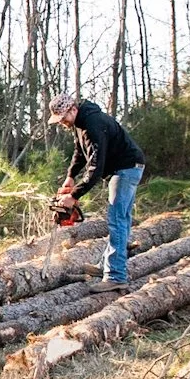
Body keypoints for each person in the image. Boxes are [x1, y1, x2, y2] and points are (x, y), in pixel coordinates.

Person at [47, 93, 146, 293]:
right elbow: (79, 152)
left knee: (117, 219)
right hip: (126, 167)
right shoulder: (80, 124)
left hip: (126, 168)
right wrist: (70, 176)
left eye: (63, 118)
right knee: (121, 218)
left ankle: (116, 276)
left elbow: (95, 167)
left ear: (73, 109)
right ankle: (107, 266)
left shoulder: (93, 124)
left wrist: (73, 196)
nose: (62, 123)